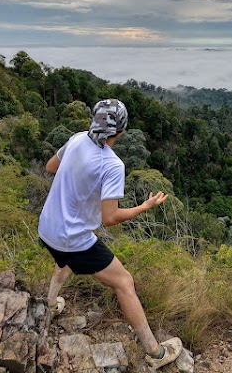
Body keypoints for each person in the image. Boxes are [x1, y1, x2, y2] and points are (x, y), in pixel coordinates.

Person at [38, 99, 182, 369]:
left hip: (47, 227)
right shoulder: (112, 165)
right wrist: (145, 206)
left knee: (63, 261)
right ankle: (155, 353)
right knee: (124, 282)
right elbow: (110, 218)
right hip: (72, 239)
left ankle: (49, 307)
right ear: (122, 131)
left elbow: (50, 167)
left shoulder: (77, 138)